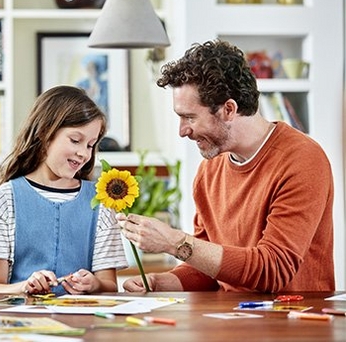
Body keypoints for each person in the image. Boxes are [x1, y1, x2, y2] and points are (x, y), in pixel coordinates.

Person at [118, 39, 335, 293]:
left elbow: (273, 270)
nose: (182, 131)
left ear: (229, 109)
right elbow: (206, 267)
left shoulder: (302, 160)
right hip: (235, 320)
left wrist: (174, 241)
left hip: (295, 323)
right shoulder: (210, 170)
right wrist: (159, 282)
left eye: (189, 117)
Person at [0, 85, 128, 295]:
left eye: (91, 145)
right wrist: (25, 286)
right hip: (21, 324)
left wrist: (94, 284)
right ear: (45, 133)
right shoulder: (3, 200)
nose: (84, 153)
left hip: (84, 324)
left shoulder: (101, 202)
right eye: (75, 140)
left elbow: (109, 286)